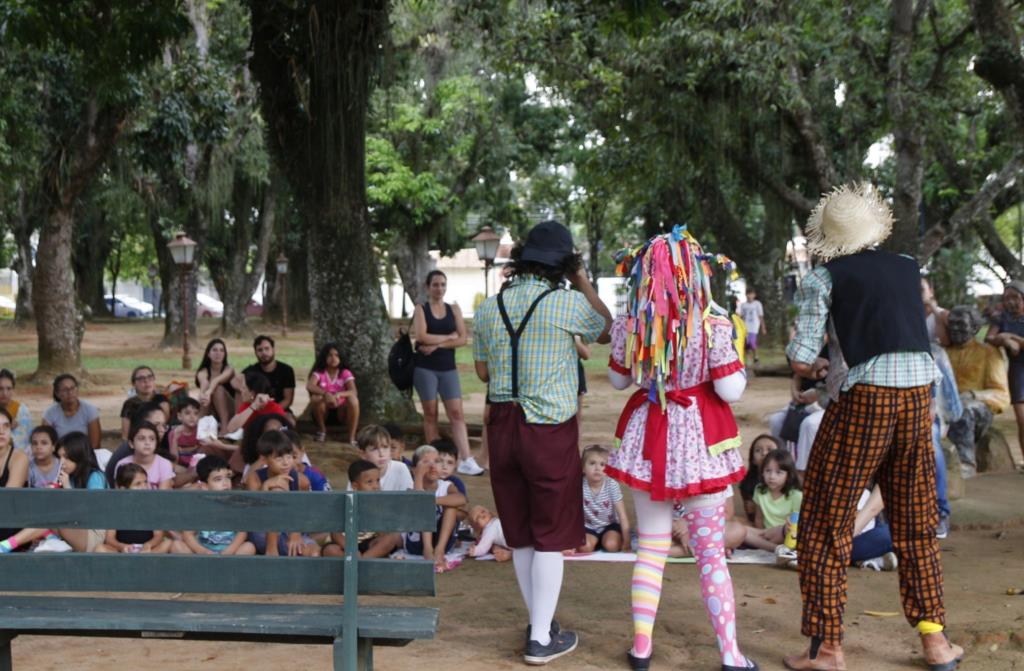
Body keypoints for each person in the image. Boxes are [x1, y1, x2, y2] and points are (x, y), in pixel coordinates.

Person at [783, 183, 960, 670]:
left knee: (824, 524)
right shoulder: (907, 267)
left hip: (865, 401)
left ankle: (827, 648)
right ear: (874, 229)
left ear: (830, 238)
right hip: (918, 402)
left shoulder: (825, 277)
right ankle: (936, 641)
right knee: (915, 520)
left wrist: (812, 365)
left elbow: (801, 358)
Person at [605, 230, 756, 671]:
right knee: (710, 556)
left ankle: (641, 649)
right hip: (700, 444)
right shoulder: (713, 325)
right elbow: (730, 390)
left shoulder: (632, 323)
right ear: (696, 272)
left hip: (649, 438)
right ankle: (730, 654)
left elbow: (617, 380)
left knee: (650, 549)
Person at [473, 219, 611, 665]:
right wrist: (580, 277)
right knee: (550, 535)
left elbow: (482, 372)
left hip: (502, 426)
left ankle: (541, 623)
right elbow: (606, 328)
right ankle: (539, 639)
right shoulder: (566, 303)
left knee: (521, 531)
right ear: (563, 265)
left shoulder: (489, 308)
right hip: (548, 428)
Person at [413, 270, 483, 476]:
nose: (440, 289)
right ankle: (432, 459)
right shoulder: (421, 309)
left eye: (443, 284)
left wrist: (437, 345)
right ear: (428, 287)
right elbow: (421, 336)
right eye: (435, 285)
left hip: (448, 369)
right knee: (431, 414)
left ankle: (466, 459)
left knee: (457, 413)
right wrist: (448, 337)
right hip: (425, 368)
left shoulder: (454, 309)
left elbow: (463, 338)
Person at [945, 305, 1009, 478]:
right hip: (946, 408)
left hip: (977, 411)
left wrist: (974, 395)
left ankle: (966, 463)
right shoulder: (943, 352)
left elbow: (1002, 394)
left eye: (960, 323)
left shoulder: (988, 352)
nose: (955, 328)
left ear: (974, 327)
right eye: (951, 323)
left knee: (965, 410)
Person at [171, 456, 256, 556]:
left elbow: (242, 533)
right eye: (218, 479)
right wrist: (202, 551)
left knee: (249, 547)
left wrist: (229, 551)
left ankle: (228, 570)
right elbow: (188, 534)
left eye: (228, 477)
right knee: (176, 545)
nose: (225, 483)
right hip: (204, 554)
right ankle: (198, 570)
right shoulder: (198, 507)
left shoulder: (236, 504)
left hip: (229, 554)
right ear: (204, 486)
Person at [403, 445, 466, 572]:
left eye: (436, 461)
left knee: (450, 506)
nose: (432, 466)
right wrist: (419, 476)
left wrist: (433, 500)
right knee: (423, 503)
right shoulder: (410, 487)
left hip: (442, 541)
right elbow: (418, 501)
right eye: (426, 462)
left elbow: (461, 499)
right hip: (417, 543)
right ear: (414, 469)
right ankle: (428, 550)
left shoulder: (446, 485)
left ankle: (439, 550)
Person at [323, 459, 402, 559]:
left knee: (391, 538)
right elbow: (336, 534)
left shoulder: (380, 505)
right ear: (355, 486)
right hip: (345, 545)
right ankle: (361, 565)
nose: (375, 486)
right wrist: (351, 549)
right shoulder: (345, 503)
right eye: (369, 482)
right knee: (330, 550)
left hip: (368, 546)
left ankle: (361, 564)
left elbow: (383, 534)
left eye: (377, 481)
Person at [985, 280, 1024, 461]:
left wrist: (1011, 336)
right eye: (1007, 298)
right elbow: (990, 337)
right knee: (1022, 421)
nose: (1011, 302)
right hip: (1018, 372)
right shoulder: (1002, 318)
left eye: (1015, 297)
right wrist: (1005, 340)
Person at [95, 464, 172, 554]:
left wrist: (148, 545)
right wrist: (122, 546)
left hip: (148, 552)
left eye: (145, 482)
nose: (144, 487)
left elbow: (158, 536)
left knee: (169, 543)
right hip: (123, 552)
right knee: (100, 548)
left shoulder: (152, 506)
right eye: (138, 484)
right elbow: (110, 538)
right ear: (123, 489)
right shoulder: (116, 508)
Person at [742, 448, 803, 552]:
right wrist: (761, 535)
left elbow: (795, 524)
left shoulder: (796, 496)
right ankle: (776, 549)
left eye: (779, 472)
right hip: (766, 533)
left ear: (788, 475)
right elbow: (759, 519)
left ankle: (771, 547)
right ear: (762, 472)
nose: (771, 477)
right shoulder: (760, 490)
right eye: (768, 471)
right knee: (742, 531)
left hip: (785, 534)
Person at [576, 445, 629, 553]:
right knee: (584, 548)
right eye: (592, 463)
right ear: (583, 468)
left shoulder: (612, 485)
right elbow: (570, 513)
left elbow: (622, 515)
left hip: (609, 526)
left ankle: (609, 540)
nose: (597, 468)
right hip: (588, 527)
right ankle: (594, 542)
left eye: (602, 464)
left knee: (612, 546)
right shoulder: (578, 485)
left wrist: (627, 542)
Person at [306, 342, 360, 444]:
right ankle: (322, 431)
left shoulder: (344, 373)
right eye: (330, 355)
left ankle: (352, 437)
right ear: (324, 357)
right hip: (323, 411)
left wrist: (337, 395)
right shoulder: (319, 372)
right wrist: (326, 394)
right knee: (315, 398)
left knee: (353, 400)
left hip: (341, 411)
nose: (333, 358)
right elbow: (310, 386)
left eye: (336, 355)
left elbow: (353, 391)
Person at [105, 403, 169, 486]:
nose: (161, 430)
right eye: (156, 425)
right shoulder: (127, 454)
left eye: (164, 425)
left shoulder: (160, 457)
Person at [240, 335, 296, 419]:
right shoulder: (250, 371)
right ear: (255, 352)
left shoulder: (286, 370)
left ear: (273, 349)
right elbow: (237, 381)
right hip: (256, 410)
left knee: (290, 420)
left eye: (267, 348)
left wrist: (271, 411)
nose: (264, 353)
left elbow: (288, 400)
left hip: (280, 409)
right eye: (260, 350)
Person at [42, 374, 101, 451]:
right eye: (65, 390)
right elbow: (47, 441)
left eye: (72, 388)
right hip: (59, 455)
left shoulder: (90, 410)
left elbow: (95, 444)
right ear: (57, 393)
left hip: (85, 454)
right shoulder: (50, 413)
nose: (70, 392)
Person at [225, 370, 293, 435]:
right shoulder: (248, 406)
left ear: (252, 393)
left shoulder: (273, 407)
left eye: (243, 388)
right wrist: (253, 406)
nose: (241, 390)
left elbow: (285, 431)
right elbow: (230, 428)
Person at [114, 421, 175, 490]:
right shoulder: (123, 464)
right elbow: (118, 495)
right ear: (131, 443)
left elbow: (162, 497)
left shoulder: (164, 464)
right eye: (141, 438)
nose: (147, 443)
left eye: (152, 439)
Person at [351, 425, 413, 492]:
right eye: (374, 449)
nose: (381, 454)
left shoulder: (401, 468)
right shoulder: (357, 473)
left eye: (385, 447)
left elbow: (409, 499)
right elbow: (351, 500)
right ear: (363, 454)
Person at [738, 434, 782, 520]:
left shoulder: (792, 485)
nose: (764, 453)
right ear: (753, 460)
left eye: (770, 449)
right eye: (758, 450)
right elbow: (751, 516)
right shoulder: (748, 485)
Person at [119, 366, 170, 440]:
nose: (146, 381)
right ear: (134, 384)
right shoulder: (129, 404)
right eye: (141, 379)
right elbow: (125, 435)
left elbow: (164, 427)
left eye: (150, 377)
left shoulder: (162, 400)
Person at [195, 338, 236, 430]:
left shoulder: (229, 370)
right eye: (214, 350)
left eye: (221, 350)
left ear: (225, 354)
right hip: (211, 409)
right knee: (206, 392)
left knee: (218, 389)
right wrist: (203, 395)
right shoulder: (203, 371)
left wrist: (209, 392)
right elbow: (204, 383)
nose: (218, 353)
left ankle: (225, 427)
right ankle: (200, 425)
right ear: (208, 354)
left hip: (230, 410)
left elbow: (216, 381)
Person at [0, 369, 33, 454]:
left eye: (9, 388)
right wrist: (7, 427)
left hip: (21, 457)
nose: (5, 393)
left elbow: (29, 441)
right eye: (0, 389)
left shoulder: (22, 411)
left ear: (13, 390)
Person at [739, 288, 766, 364]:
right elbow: (741, 317)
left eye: (751, 294)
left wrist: (763, 327)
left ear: (754, 295)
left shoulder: (757, 304)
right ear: (746, 295)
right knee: (746, 343)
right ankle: (748, 359)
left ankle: (756, 356)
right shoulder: (743, 305)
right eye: (748, 294)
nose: (750, 296)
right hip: (745, 326)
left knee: (752, 342)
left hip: (754, 326)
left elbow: (760, 316)